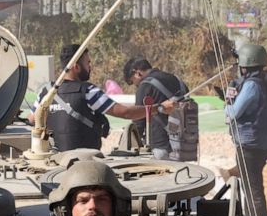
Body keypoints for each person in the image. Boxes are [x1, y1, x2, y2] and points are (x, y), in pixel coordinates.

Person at [30, 44, 174, 152]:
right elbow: (125, 112)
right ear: (76, 66)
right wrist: (159, 108)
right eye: (88, 63)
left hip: (55, 162)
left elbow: (32, 119)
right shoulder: (88, 91)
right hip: (85, 162)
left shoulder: (45, 91)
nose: (90, 66)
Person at [225, 43, 267, 216]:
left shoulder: (250, 85)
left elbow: (234, 113)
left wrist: (227, 102)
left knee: (252, 191)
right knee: (253, 187)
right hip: (264, 144)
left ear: (244, 65)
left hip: (248, 144)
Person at [47, 160, 132, 216]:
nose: (93, 206)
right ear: (67, 208)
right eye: (83, 200)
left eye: (102, 199)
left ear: (116, 206)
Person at [123, 57, 187, 159]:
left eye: (132, 81)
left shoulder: (145, 86)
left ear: (137, 73)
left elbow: (138, 123)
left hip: (161, 146)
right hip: (186, 145)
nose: (135, 85)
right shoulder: (177, 80)